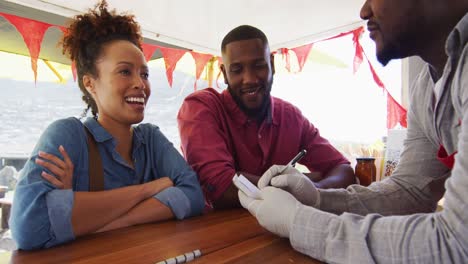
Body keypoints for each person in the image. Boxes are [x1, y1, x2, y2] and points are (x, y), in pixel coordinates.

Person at [239, 0, 468, 263]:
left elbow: (458, 243)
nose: (364, 11)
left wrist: (300, 222)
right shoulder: (426, 87)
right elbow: (410, 192)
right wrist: (317, 199)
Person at [10, 1, 204, 250]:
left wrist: (99, 220)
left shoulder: (151, 139)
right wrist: (148, 189)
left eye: (144, 74)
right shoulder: (68, 136)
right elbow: (29, 226)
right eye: (125, 72)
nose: (140, 84)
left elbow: (193, 195)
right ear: (90, 83)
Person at [177, 25, 355, 209]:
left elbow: (343, 169)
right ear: (224, 74)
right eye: (237, 70)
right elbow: (221, 186)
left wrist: (315, 189)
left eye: (259, 66)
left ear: (272, 64)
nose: (250, 79)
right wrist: (296, 185)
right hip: (220, 235)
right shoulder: (201, 108)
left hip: (290, 233)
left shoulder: (291, 116)